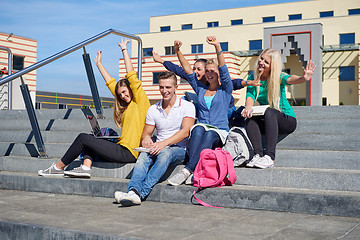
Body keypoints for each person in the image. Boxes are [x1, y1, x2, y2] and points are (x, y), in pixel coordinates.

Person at [38, 39, 150, 178]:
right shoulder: (126, 106)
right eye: (120, 94)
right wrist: (99, 65)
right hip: (122, 148)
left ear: (131, 89)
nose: (122, 96)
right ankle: (85, 167)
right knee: (91, 139)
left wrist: (124, 50)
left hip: (128, 152)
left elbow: (131, 75)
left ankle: (58, 167)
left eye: (125, 91)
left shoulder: (140, 102)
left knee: (82, 138)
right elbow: (111, 84)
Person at [114, 71, 195, 205]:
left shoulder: (187, 106)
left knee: (165, 153)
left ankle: (141, 192)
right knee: (144, 156)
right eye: (161, 87)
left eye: (168, 87)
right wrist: (146, 138)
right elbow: (146, 133)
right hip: (159, 146)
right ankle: (133, 191)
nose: (164, 91)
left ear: (176, 87)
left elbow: (185, 131)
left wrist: (163, 144)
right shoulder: (153, 109)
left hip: (180, 149)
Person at [167, 36, 233, 186]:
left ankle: (188, 170)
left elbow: (224, 69)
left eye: (213, 71)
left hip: (219, 130)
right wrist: (178, 51)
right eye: (207, 71)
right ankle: (195, 170)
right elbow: (188, 71)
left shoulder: (225, 89)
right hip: (202, 127)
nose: (209, 74)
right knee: (197, 129)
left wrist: (217, 46)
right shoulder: (201, 89)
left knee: (210, 133)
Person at [242, 48, 316, 169]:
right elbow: (250, 96)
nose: (261, 62)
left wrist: (303, 78)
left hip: (286, 120)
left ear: (272, 66)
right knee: (250, 118)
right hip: (268, 120)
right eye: (261, 58)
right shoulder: (253, 77)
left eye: (266, 62)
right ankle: (258, 154)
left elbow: (290, 79)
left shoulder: (277, 77)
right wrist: (248, 109)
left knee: (270, 112)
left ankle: (269, 157)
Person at [152, 52, 260, 119]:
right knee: (185, 99)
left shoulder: (215, 80)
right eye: (194, 69)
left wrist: (248, 82)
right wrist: (161, 60)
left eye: (199, 69)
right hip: (207, 110)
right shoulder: (195, 81)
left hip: (225, 109)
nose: (196, 72)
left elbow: (233, 83)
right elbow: (178, 70)